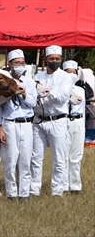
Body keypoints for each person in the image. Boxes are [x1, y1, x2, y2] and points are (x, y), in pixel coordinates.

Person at [30, 45, 74, 197]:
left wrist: (45, 92)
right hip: (39, 120)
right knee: (36, 158)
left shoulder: (66, 77)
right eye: (51, 59)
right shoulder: (38, 76)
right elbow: (34, 96)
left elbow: (62, 98)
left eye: (57, 59)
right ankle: (34, 189)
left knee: (59, 158)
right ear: (45, 60)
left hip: (58, 121)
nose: (54, 61)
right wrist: (45, 93)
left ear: (61, 59)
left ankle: (57, 190)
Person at [0, 49, 37, 201]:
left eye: (22, 63)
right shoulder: (4, 83)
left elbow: (32, 103)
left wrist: (23, 92)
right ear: (10, 64)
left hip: (26, 123)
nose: (20, 65)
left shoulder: (30, 82)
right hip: (10, 124)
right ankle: (11, 193)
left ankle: (24, 193)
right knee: (10, 159)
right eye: (17, 63)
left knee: (25, 159)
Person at [63, 60, 85, 193]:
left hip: (78, 122)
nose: (71, 74)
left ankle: (75, 186)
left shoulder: (81, 90)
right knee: (64, 155)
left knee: (76, 155)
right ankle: (64, 185)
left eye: (73, 72)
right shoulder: (61, 89)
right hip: (65, 121)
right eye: (68, 72)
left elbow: (83, 109)